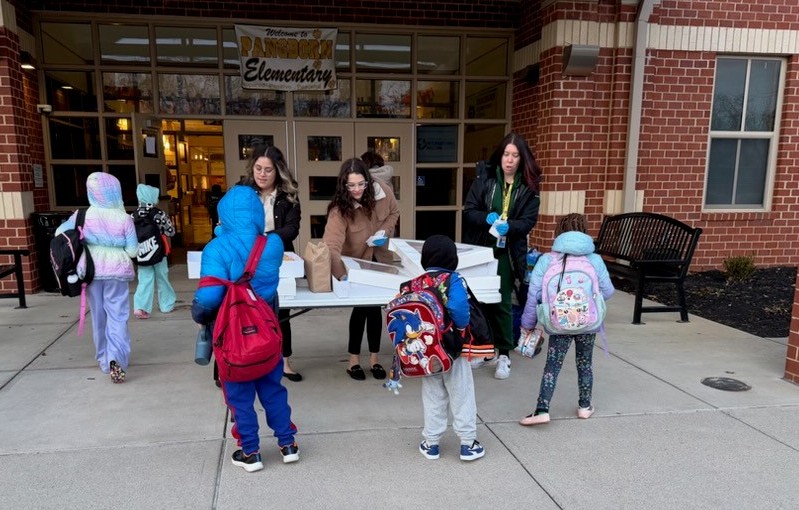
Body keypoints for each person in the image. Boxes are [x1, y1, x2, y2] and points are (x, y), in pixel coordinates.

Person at [191, 185, 299, 472]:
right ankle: (288, 444)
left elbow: (209, 297)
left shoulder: (215, 249)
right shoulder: (272, 245)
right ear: (257, 213)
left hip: (233, 338)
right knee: (273, 390)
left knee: (239, 398)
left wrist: (199, 316)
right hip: (267, 332)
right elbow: (252, 251)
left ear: (223, 215)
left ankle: (250, 452)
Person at [518, 213, 615, 425]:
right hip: (588, 323)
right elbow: (608, 291)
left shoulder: (547, 260)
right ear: (585, 231)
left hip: (558, 323)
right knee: (585, 363)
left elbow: (534, 295)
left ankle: (542, 409)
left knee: (552, 365)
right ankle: (585, 407)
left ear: (559, 232)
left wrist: (528, 324)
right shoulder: (594, 260)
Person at [463, 132, 542, 380]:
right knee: (480, 301)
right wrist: (485, 218)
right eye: (506, 154)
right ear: (500, 156)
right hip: (481, 250)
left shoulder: (528, 188)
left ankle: (504, 353)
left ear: (522, 159)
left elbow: (528, 221)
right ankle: (485, 351)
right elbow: (469, 211)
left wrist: (512, 227)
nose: (509, 160)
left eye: (515, 155)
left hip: (506, 253)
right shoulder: (485, 179)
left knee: (502, 303)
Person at [403, 235, 485, 461]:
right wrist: (460, 328)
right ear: (452, 258)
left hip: (427, 352)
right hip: (452, 349)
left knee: (433, 395)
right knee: (461, 393)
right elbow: (459, 308)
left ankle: (431, 443)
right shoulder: (452, 280)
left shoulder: (414, 283)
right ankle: (468, 443)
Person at [55, 172, 138, 383]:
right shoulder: (124, 218)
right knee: (118, 316)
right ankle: (117, 358)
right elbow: (132, 251)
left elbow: (60, 234)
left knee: (98, 315)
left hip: (90, 270)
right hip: (117, 271)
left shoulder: (81, 215)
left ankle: (103, 358)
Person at [323, 157, 400, 380]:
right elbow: (331, 246)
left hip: (379, 258)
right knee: (360, 309)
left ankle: (374, 359)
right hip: (355, 264)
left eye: (361, 184)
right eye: (351, 185)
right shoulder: (339, 210)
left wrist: (384, 232)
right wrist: (341, 276)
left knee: (374, 308)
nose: (357, 189)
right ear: (344, 185)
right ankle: (353, 360)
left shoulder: (382, 192)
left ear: (367, 181)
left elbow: (394, 212)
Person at [243, 144, 303, 382]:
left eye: (268, 170)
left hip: (277, 258)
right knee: (245, 310)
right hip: (247, 259)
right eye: (258, 168)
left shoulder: (289, 195)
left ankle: (284, 362)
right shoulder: (242, 191)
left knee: (280, 311)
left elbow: (292, 228)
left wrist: (265, 239)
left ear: (278, 171)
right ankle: (245, 360)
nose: (262, 174)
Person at [132, 183, 176, 319]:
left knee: (144, 279)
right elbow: (171, 232)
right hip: (158, 251)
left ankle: (141, 307)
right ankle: (166, 305)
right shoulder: (159, 214)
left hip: (142, 252)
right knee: (162, 277)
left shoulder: (133, 215)